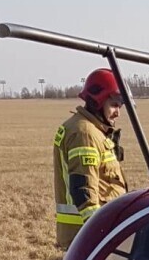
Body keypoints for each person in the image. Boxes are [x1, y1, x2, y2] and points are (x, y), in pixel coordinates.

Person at [53, 69, 127, 250]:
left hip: (89, 231)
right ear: (97, 102)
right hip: (86, 234)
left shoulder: (91, 129)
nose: (118, 112)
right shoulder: (85, 134)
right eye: (114, 105)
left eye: (120, 106)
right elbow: (84, 191)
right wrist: (99, 233)